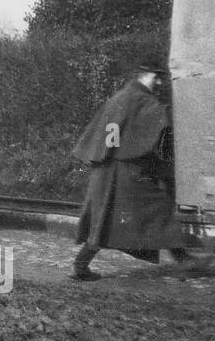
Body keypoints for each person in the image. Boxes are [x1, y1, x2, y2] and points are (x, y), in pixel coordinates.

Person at [71, 54, 193, 280]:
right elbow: (155, 138)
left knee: (102, 219)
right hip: (125, 172)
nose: (159, 83)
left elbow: (109, 137)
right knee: (160, 209)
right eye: (157, 78)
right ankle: (184, 261)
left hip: (105, 170)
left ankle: (80, 266)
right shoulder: (143, 102)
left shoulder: (120, 97)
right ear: (147, 75)